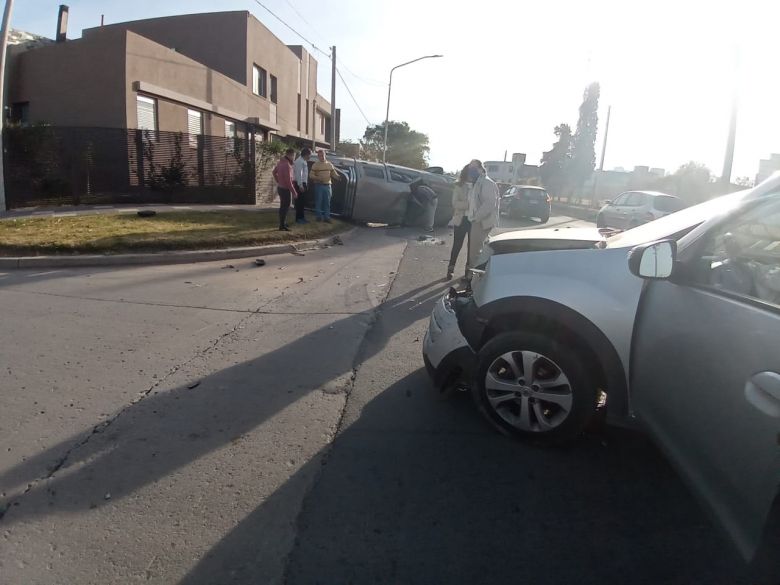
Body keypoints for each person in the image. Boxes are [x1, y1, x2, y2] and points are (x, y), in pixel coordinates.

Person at [466, 159, 499, 271]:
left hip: (482, 221)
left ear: (481, 169)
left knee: (475, 251)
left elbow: (490, 203)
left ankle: (472, 277)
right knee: (477, 249)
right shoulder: (478, 182)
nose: (471, 170)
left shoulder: (486, 182)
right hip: (478, 220)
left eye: (474, 168)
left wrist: (476, 218)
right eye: (470, 168)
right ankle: (475, 273)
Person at [446, 164, 473, 280]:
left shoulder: (478, 186)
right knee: (457, 245)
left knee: (472, 247)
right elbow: (454, 203)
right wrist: (469, 205)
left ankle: (468, 271)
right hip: (461, 219)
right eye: (470, 173)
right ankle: (450, 268)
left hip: (474, 220)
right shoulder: (459, 186)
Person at [309, 149, 341, 223]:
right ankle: (319, 217)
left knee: (327, 202)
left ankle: (327, 217)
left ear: (325, 155)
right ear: (318, 156)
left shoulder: (329, 164)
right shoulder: (315, 165)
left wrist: (338, 177)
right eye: (320, 156)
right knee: (318, 201)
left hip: (328, 186)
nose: (321, 157)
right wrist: (317, 178)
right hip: (318, 185)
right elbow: (311, 175)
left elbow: (334, 173)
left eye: (322, 155)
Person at [272, 148, 298, 232]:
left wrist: (278, 181)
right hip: (285, 189)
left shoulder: (280, 162)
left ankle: (283, 223)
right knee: (285, 207)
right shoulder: (287, 164)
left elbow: (274, 172)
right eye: (294, 156)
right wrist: (294, 192)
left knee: (283, 207)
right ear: (290, 155)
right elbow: (288, 181)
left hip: (280, 187)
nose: (294, 158)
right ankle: (282, 225)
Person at [293, 147, 311, 224]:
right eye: (309, 155)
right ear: (306, 154)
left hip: (303, 183)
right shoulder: (299, 161)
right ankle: (298, 219)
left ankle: (302, 217)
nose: (309, 157)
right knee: (299, 202)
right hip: (299, 183)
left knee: (302, 202)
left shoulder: (304, 161)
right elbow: (299, 174)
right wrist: (300, 185)